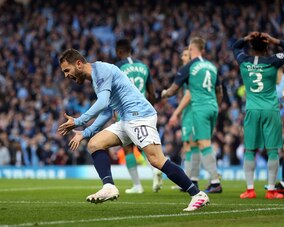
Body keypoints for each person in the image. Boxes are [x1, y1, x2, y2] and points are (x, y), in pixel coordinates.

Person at [58, 48, 209, 211]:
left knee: (157, 160)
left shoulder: (101, 70)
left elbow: (102, 104)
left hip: (139, 116)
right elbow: (108, 110)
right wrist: (85, 132)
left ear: (79, 64)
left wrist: (79, 121)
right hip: (126, 118)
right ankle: (109, 186)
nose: (66, 75)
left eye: (67, 70)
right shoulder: (96, 76)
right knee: (95, 144)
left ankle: (197, 194)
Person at [232, 32, 284, 199]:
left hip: (252, 110)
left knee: (249, 150)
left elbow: (235, 46)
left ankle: (250, 189)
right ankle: (270, 190)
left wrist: (246, 38)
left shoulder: (243, 60)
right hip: (270, 109)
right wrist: (276, 40)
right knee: (273, 151)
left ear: (251, 46)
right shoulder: (273, 60)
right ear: (267, 46)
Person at [162, 37, 223, 193]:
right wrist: (216, 104)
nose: (185, 55)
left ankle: (215, 182)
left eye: (187, 51)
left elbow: (176, 90)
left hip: (198, 108)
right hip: (213, 106)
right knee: (196, 143)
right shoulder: (211, 66)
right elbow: (220, 91)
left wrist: (165, 93)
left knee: (202, 144)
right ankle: (193, 180)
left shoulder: (189, 67)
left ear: (191, 49)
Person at [115, 38, 162, 194]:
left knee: (128, 149)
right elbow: (152, 93)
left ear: (119, 52)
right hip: (143, 110)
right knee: (145, 145)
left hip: (125, 110)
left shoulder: (118, 67)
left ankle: (137, 186)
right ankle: (155, 170)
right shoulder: (143, 66)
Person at [169, 47, 200, 190]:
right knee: (190, 146)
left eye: (185, 55)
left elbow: (189, 95)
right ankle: (191, 179)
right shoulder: (194, 70)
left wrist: (176, 113)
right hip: (191, 111)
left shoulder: (189, 71)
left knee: (190, 146)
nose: (182, 57)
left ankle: (190, 180)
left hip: (191, 111)